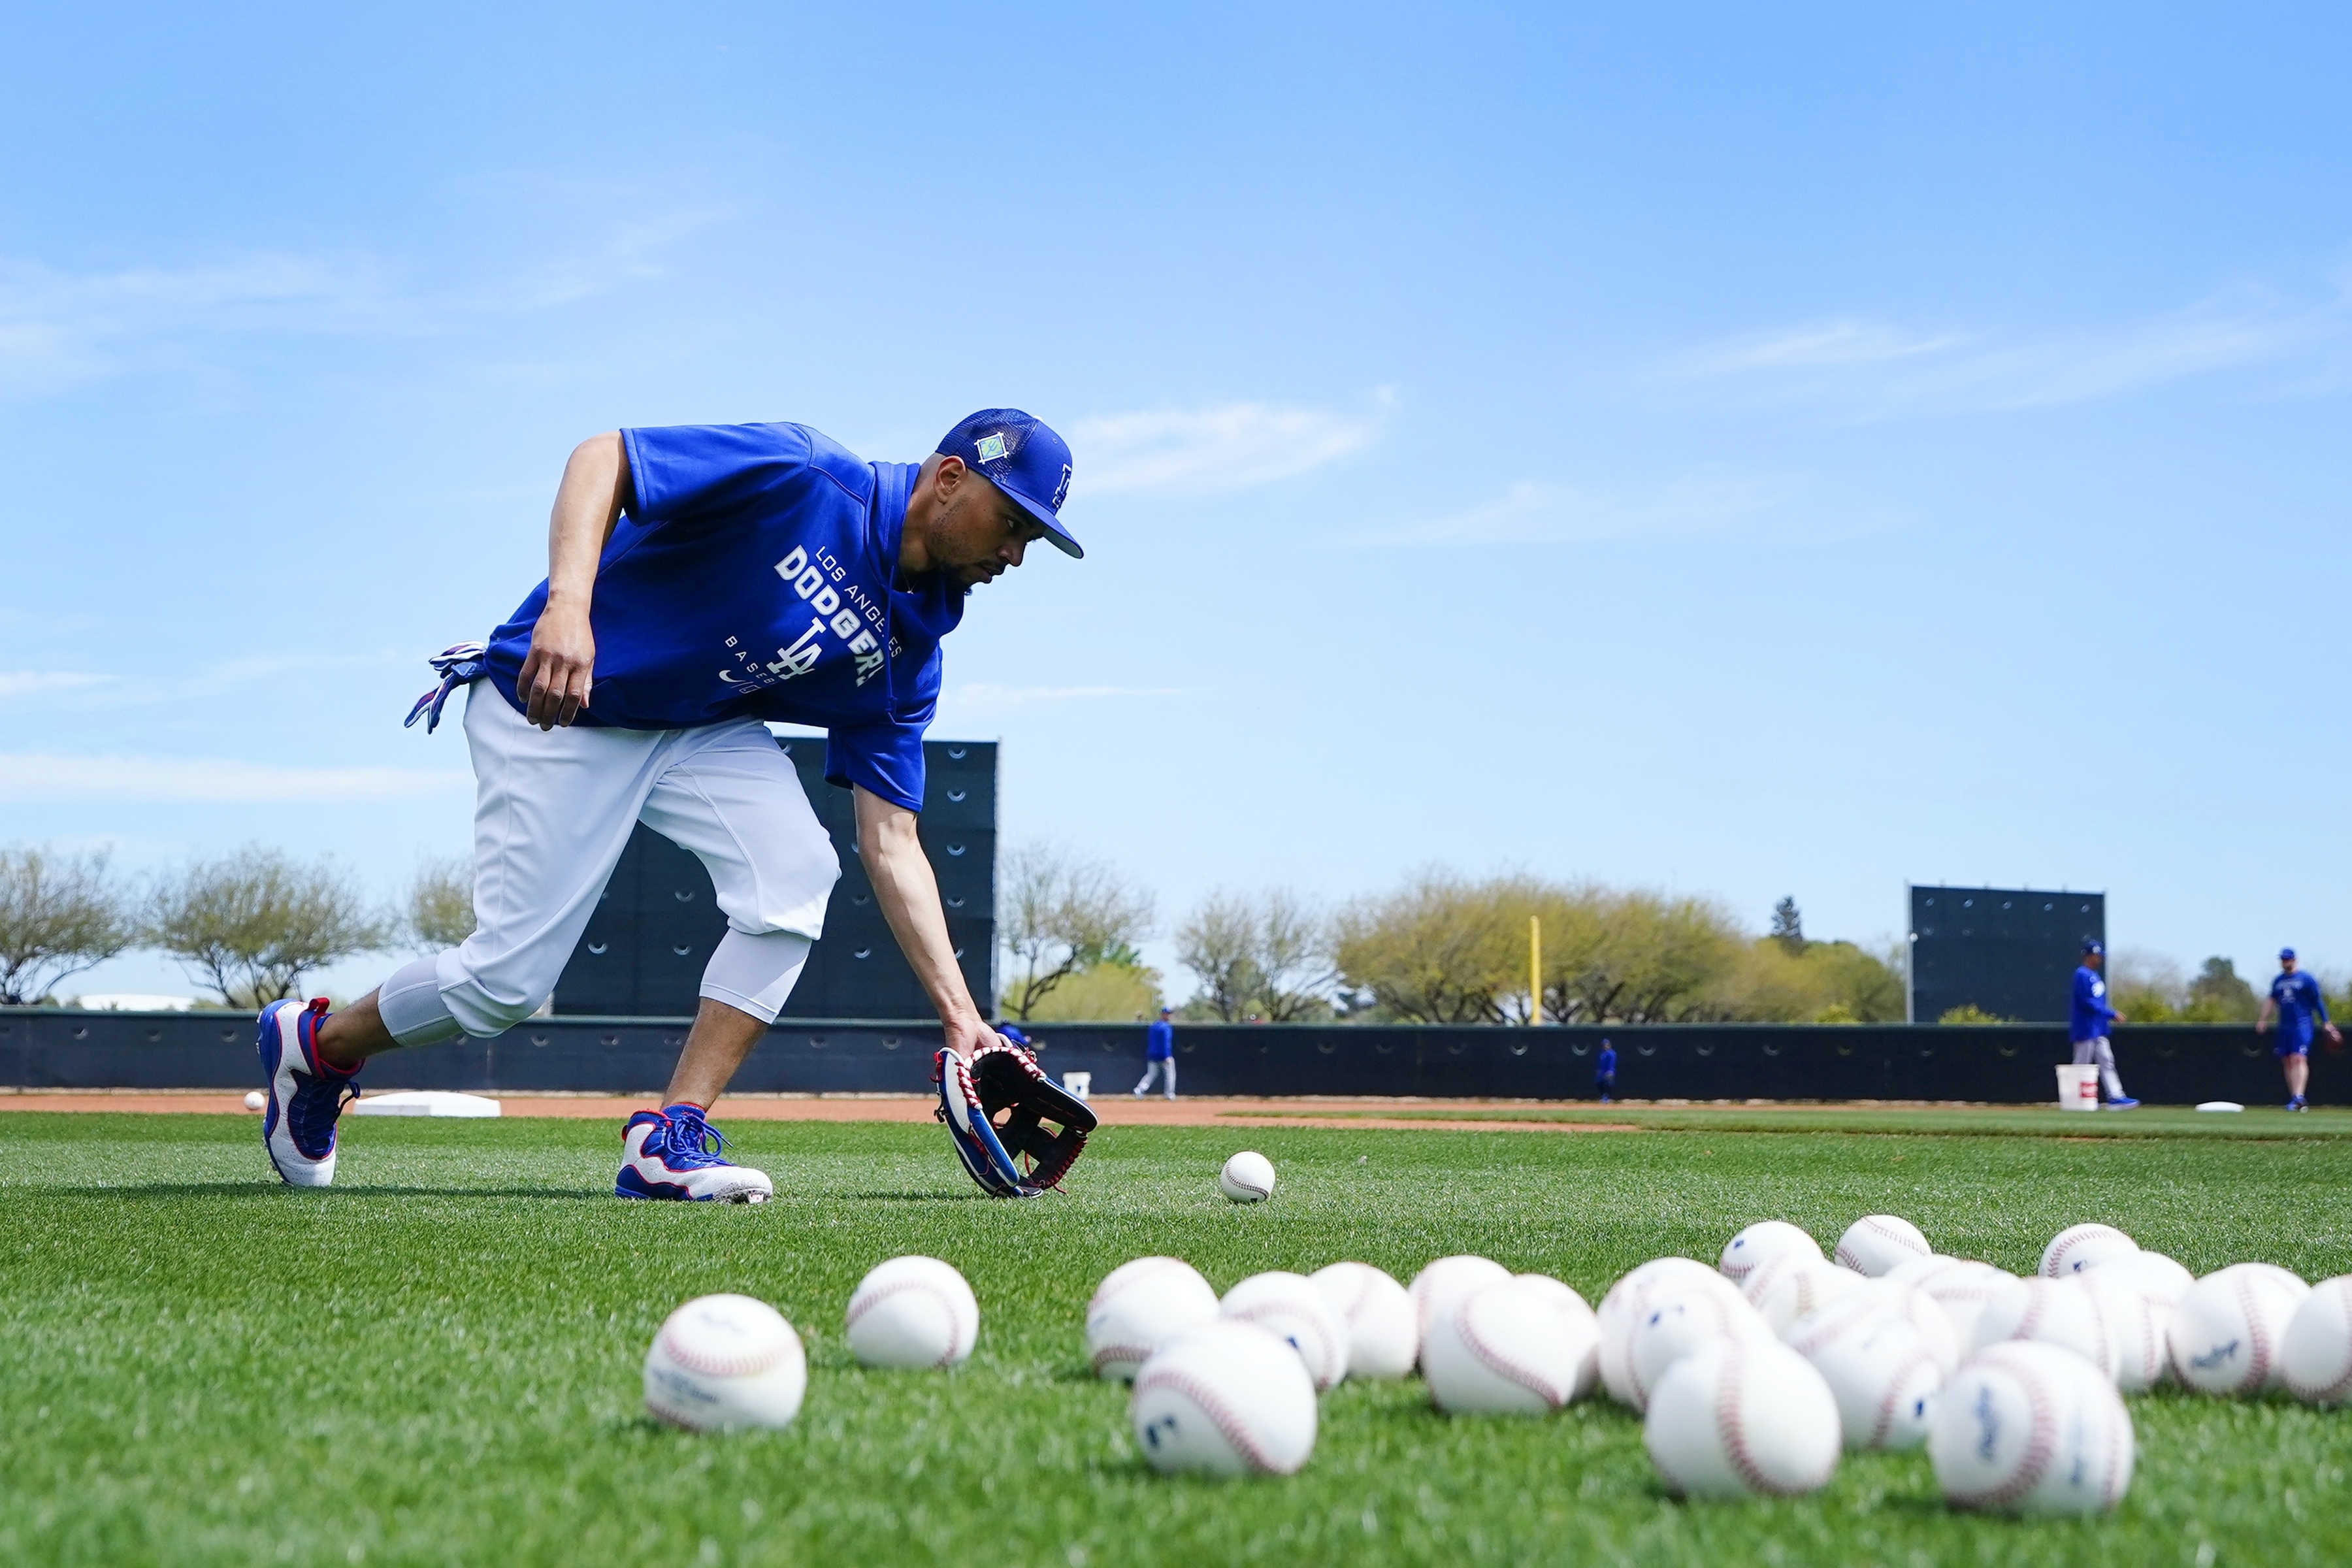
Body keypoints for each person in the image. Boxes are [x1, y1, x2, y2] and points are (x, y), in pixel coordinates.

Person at [254, 410, 1081, 1200]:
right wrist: (568, 604)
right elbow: (602, 457)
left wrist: (963, 1017)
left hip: (692, 727)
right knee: (500, 988)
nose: (1015, 552)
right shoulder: (806, 474)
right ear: (947, 478)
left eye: (1032, 538)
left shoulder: (911, 657)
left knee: (794, 875)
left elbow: (893, 839)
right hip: (561, 702)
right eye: (1011, 521)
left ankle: (668, 1135)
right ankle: (316, 1049)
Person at [2257, 947, 2340, 1112]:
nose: (2285, 962)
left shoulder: (2306, 979)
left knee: (2298, 1057)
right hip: (2284, 1025)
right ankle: (2294, 1099)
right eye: (2283, 960)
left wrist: (2326, 1022)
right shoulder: (2278, 980)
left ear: (2294, 960)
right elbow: (2271, 1000)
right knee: (2287, 1060)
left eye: (2288, 959)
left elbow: (2317, 1001)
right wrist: (2262, 1020)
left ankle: (2299, 1096)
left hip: (2302, 1025)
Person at [2070, 940, 2139, 1110]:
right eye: (2097, 955)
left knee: (2107, 1061)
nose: (2099, 959)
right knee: (2082, 1064)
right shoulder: (2081, 974)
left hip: (2098, 1027)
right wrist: (2111, 1013)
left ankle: (2116, 1097)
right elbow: (2088, 1002)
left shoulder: (2094, 976)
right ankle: (2075, 1099)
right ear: (2088, 955)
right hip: (2086, 1027)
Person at [1134, 1005, 1176, 1099]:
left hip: (1152, 1054)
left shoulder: (1154, 1026)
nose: (1169, 1016)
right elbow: (1166, 1042)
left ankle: (1140, 1089)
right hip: (1163, 1055)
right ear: (1163, 1014)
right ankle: (1169, 1094)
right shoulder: (1166, 1027)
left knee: (1151, 1074)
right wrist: (1167, 1055)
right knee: (1170, 1075)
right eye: (1168, 1014)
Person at [1595, 1037, 1618, 1103]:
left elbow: (1612, 1063)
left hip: (1608, 1071)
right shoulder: (1602, 1054)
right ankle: (1603, 1096)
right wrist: (1598, 1070)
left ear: (1609, 1045)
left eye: (1607, 1045)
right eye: (1604, 1045)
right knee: (1598, 1083)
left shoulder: (1612, 1053)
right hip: (1601, 1072)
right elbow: (1600, 1063)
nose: (1605, 1046)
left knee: (1608, 1084)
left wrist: (1610, 1071)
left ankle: (1606, 1098)